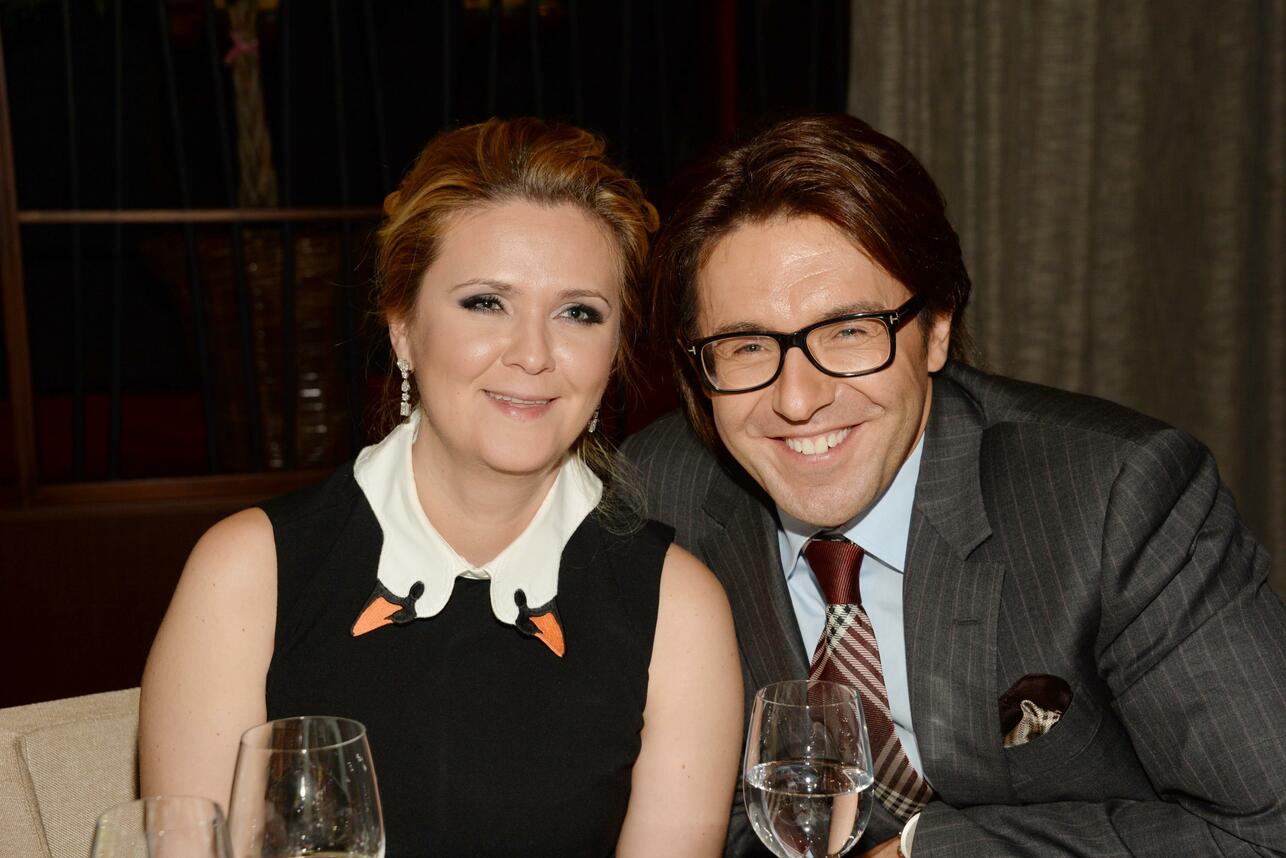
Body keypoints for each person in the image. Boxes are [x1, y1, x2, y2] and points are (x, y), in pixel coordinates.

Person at [622, 113, 1286, 857]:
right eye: (746, 345)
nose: (798, 400)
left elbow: (1265, 828)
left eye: (849, 331)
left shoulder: (1116, 496)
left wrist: (925, 852)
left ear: (937, 327)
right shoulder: (657, 496)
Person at [140, 117, 743, 857]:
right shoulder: (246, 573)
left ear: (614, 351)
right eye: (486, 302)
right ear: (402, 325)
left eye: (578, 313)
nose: (533, 354)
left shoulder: (678, 610)